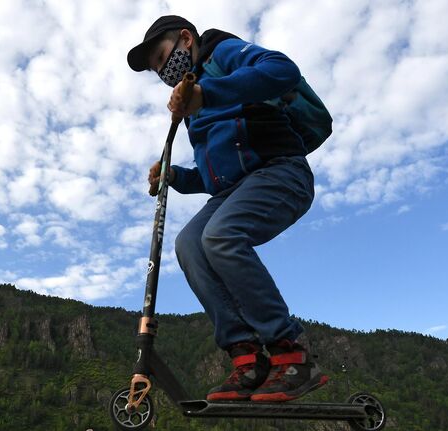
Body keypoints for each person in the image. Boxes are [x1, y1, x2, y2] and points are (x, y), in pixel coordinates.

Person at [127, 15, 328, 403]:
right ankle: (247, 358)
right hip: (235, 189)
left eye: (162, 58)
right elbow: (212, 174)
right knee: (189, 244)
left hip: (280, 171)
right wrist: (174, 176)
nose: (163, 73)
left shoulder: (221, 53)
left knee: (220, 235)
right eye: (156, 70)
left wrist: (208, 93)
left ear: (186, 39)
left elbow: (283, 70)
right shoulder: (193, 107)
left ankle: (292, 352)